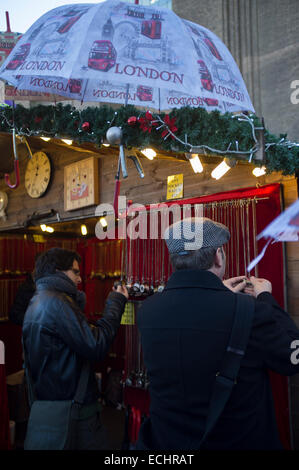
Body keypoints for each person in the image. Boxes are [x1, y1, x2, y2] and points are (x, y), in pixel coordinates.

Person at [136, 217, 299, 450]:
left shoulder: (148, 310)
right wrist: (266, 300)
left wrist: (219, 294)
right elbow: (293, 357)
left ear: (175, 260)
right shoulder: (250, 311)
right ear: (217, 256)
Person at [22, 247, 128, 450]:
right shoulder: (58, 303)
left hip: (54, 405)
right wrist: (116, 302)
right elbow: (96, 345)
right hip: (75, 412)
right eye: (76, 272)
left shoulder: (38, 300)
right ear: (57, 271)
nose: (80, 279)